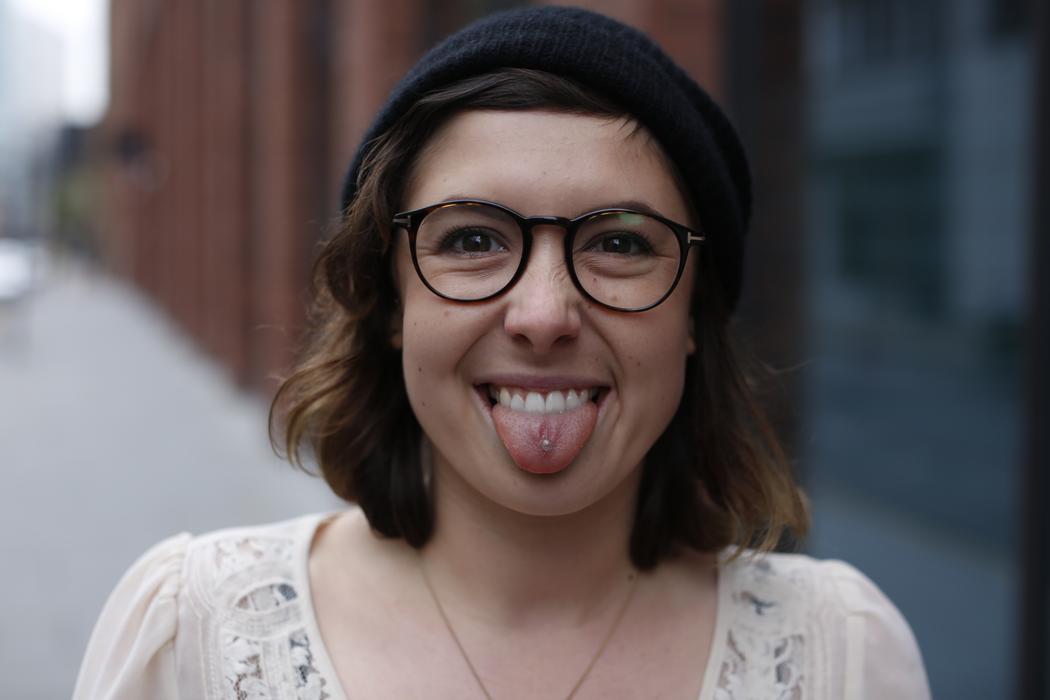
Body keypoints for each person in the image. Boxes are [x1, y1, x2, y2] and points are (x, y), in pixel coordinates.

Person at [74, 7, 930, 699]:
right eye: (473, 240)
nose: (544, 315)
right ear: (393, 304)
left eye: (620, 244)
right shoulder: (193, 638)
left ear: (694, 316)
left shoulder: (842, 657)